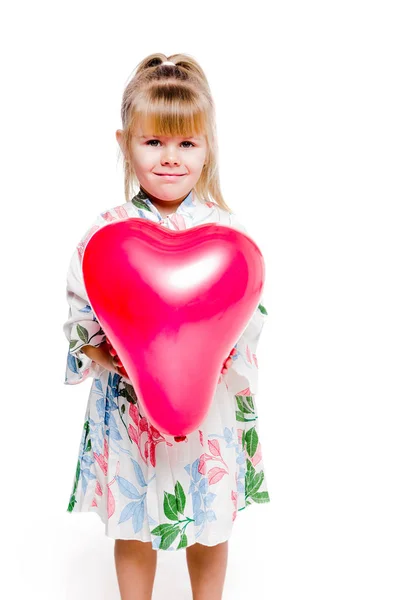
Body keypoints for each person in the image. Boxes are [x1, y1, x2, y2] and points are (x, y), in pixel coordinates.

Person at [63, 53, 270, 600]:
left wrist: (206, 368)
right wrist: (119, 358)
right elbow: (81, 321)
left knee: (210, 522)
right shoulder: (105, 237)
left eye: (187, 143)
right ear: (124, 141)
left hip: (207, 410)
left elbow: (247, 318)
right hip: (130, 410)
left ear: (208, 145)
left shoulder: (229, 236)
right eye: (154, 142)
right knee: (133, 527)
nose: (170, 159)